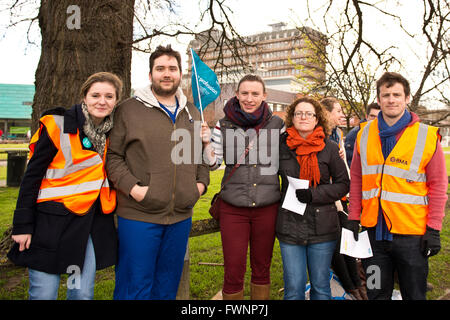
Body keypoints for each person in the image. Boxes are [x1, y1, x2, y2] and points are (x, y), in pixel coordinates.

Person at [106, 45, 209, 300]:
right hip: (139, 215)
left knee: (167, 287)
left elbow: (199, 157)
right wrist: (135, 190)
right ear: (150, 73)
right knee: (135, 287)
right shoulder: (128, 109)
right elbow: (113, 156)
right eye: (160, 68)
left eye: (172, 68)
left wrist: (200, 186)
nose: (166, 73)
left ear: (180, 73)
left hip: (180, 217)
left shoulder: (192, 113)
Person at [8, 72, 122, 300]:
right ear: (84, 97)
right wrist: (22, 225)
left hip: (85, 226)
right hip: (48, 224)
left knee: (81, 294)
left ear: (116, 101)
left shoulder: (113, 132)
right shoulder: (58, 125)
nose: (102, 101)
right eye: (96, 95)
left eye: (109, 96)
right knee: (44, 294)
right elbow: (31, 177)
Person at [348, 72, 448, 300]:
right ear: (379, 99)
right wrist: (354, 218)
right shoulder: (363, 135)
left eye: (396, 94)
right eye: (386, 95)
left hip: (412, 237)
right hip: (374, 237)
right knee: (375, 293)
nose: (391, 99)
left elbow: (439, 186)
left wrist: (433, 230)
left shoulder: (426, 136)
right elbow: (357, 181)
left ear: (407, 98)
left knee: (414, 294)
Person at [202, 74, 284, 300]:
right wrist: (206, 144)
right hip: (233, 208)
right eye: (244, 93)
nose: (249, 98)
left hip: (267, 207)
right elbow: (213, 164)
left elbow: (294, 154)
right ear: (236, 95)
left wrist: (335, 149)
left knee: (261, 268)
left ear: (264, 96)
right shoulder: (223, 124)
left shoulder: (278, 124)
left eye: (255, 93)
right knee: (233, 269)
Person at [276, 96, 350, 300]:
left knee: (321, 288)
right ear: (292, 117)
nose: (304, 117)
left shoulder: (330, 148)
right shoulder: (281, 146)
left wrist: (314, 194)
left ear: (317, 119)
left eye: (309, 113)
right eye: (299, 113)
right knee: (293, 290)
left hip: (323, 228)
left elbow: (344, 184)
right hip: (290, 226)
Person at [344, 102, 380, 168]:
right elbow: (350, 162)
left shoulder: (386, 135)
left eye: (378, 117)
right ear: (367, 116)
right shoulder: (354, 134)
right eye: (372, 116)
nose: (375, 120)